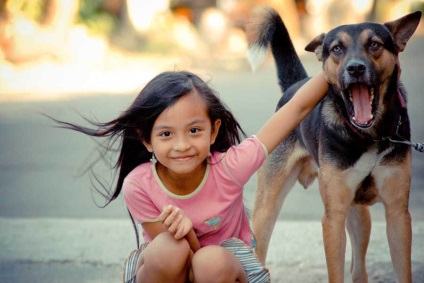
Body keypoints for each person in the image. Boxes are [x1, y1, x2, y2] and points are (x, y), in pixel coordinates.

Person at [51, 70, 328, 282]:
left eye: (194, 130)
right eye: (166, 134)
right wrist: (181, 234)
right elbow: (180, 263)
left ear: (214, 130)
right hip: (172, 273)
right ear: (146, 140)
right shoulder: (138, 185)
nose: (182, 145)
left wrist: (335, 69)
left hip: (221, 270)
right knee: (169, 248)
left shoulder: (230, 168)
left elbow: (296, 109)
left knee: (210, 262)